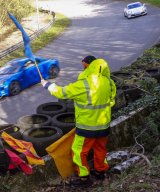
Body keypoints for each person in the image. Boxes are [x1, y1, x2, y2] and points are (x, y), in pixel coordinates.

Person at [41, 55, 116, 187]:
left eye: (83, 65)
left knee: (78, 151)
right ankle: (101, 172)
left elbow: (61, 93)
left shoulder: (84, 85)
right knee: (100, 149)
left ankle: (84, 178)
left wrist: (47, 85)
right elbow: (111, 100)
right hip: (104, 125)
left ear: (87, 66)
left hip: (87, 127)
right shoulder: (108, 82)